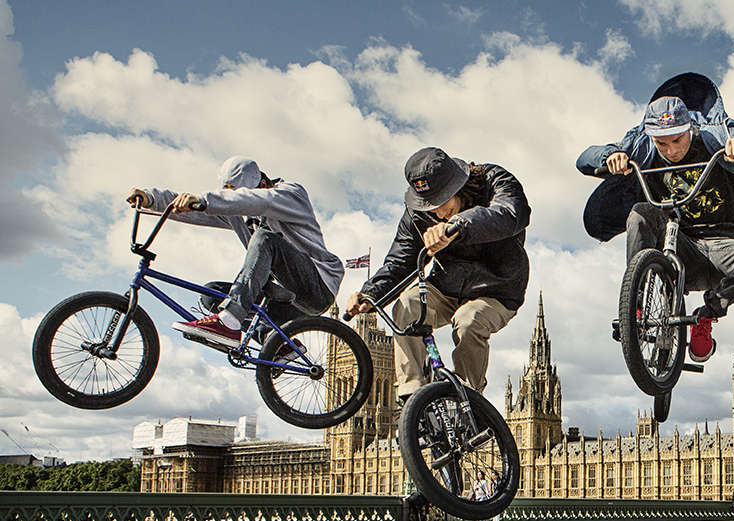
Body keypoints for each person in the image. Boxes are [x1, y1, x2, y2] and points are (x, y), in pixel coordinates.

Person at [577, 73, 734, 363]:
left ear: (689, 127)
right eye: (662, 144)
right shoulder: (642, 148)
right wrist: (611, 155)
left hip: (729, 248)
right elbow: (584, 158)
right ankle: (634, 306)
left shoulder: (717, 136)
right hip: (682, 245)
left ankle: (707, 316)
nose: (671, 151)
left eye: (677, 139)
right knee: (640, 213)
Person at [347, 147, 530, 397]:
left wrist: (456, 226)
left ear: (459, 186)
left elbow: (512, 213)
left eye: (443, 201)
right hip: (445, 287)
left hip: (497, 289)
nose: (439, 213)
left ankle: (470, 399)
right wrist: (370, 294)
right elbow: (401, 261)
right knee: (407, 304)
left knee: (468, 321)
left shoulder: (495, 181)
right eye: (430, 207)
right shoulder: (417, 214)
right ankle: (413, 395)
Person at [127, 157, 343, 347]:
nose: (242, 211)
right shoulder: (241, 217)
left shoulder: (289, 194)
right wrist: (150, 197)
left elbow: (259, 201)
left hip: (317, 287)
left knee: (265, 239)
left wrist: (206, 200)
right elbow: (192, 211)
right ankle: (276, 345)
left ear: (263, 183)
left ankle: (230, 321)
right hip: (282, 299)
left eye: (241, 197)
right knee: (212, 295)